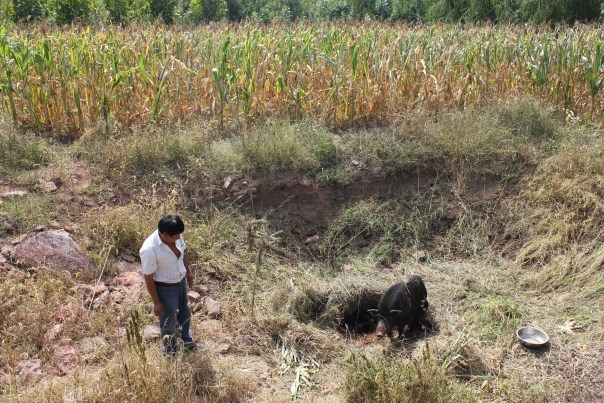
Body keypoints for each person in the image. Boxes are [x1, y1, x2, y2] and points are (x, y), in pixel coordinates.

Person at [140, 214, 201, 355]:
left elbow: (182, 253)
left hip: (180, 283)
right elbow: (148, 277)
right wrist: (156, 302)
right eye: (176, 236)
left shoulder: (175, 234)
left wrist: (188, 272)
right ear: (165, 234)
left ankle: (187, 341)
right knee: (168, 322)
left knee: (184, 313)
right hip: (165, 289)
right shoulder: (150, 249)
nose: (179, 238)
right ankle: (170, 353)